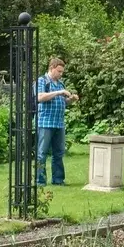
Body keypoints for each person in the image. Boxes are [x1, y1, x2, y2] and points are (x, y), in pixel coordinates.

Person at [36, 57, 78, 185]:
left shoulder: (60, 83)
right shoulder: (42, 81)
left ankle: (58, 180)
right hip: (45, 123)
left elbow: (63, 102)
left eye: (62, 72)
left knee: (59, 153)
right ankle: (40, 181)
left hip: (59, 123)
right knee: (42, 153)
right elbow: (40, 97)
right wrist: (59, 92)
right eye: (59, 71)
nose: (61, 74)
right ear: (52, 68)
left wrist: (71, 100)